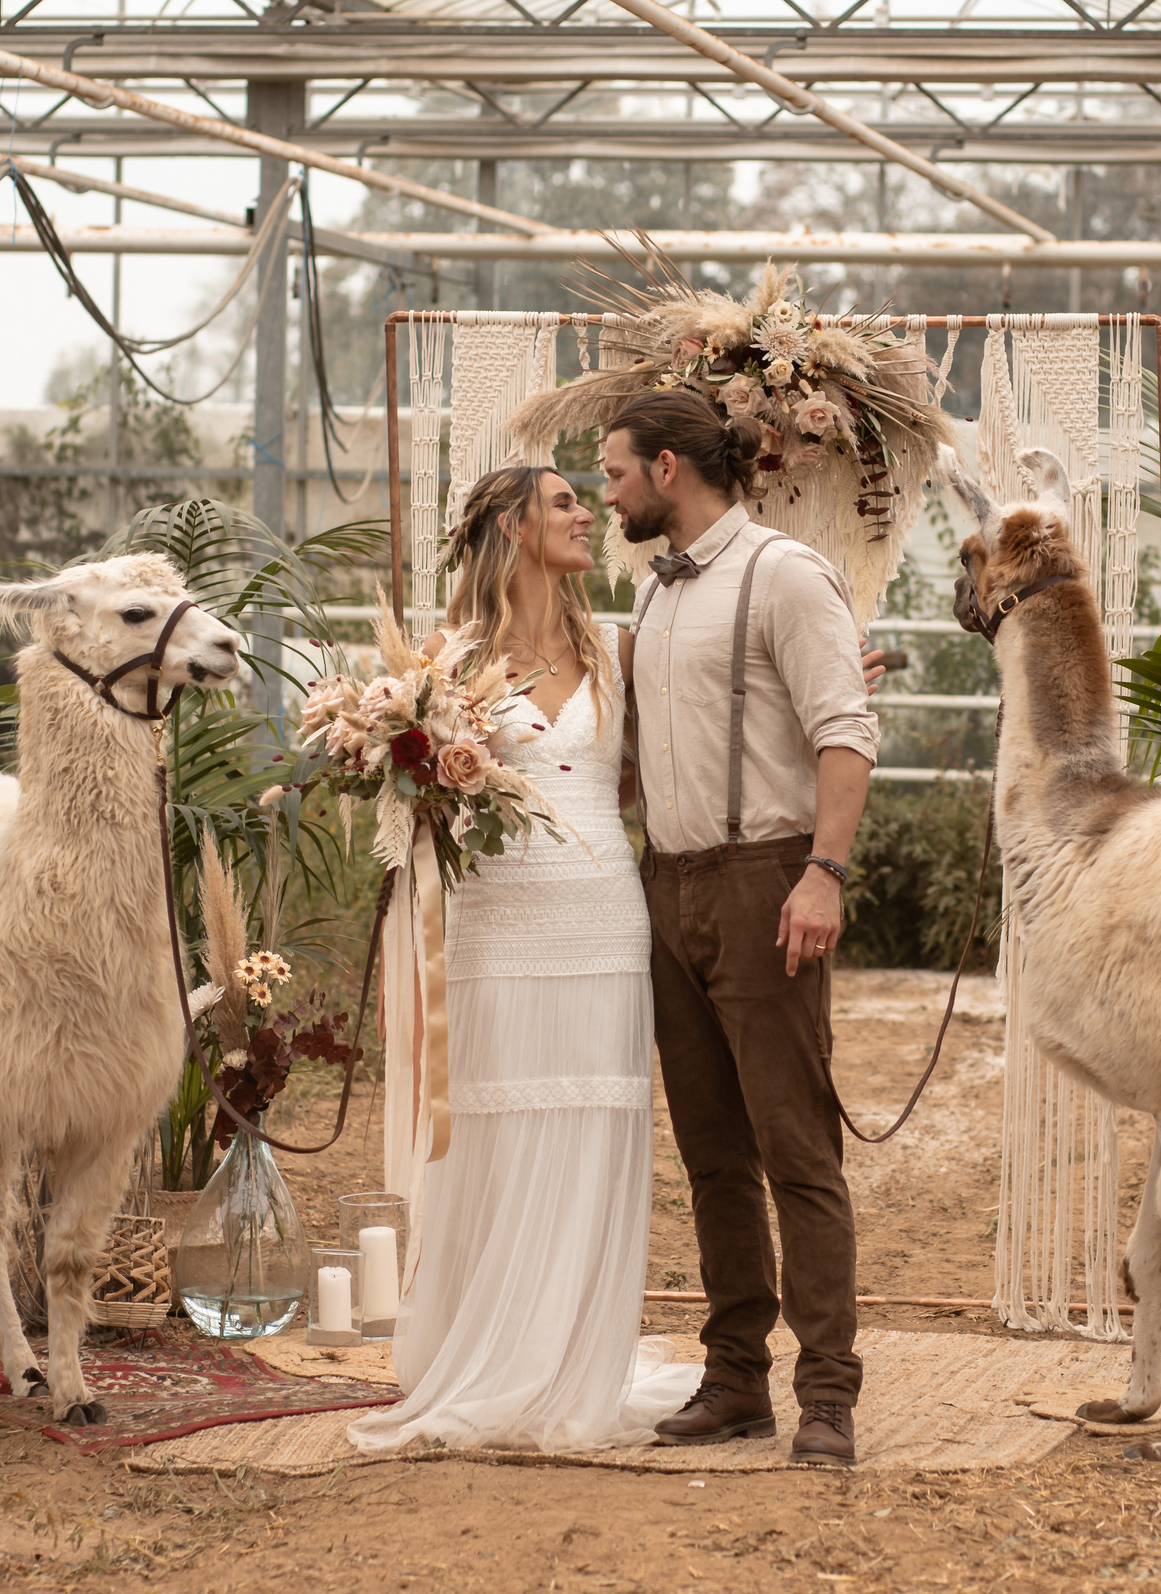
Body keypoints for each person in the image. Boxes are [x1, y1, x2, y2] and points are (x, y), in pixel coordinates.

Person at [347, 464, 700, 1454]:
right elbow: (409, 805)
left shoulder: (618, 648)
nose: (588, 513)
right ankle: (489, 1356)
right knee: (498, 1140)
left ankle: (573, 1362)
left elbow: (679, 751)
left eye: (588, 498)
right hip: (496, 923)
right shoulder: (442, 664)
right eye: (562, 502)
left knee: (593, 1132)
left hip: (601, 918)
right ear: (511, 526)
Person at [601, 387, 878, 1469]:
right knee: (712, 1155)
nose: (608, 491)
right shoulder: (657, 593)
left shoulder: (784, 574)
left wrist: (822, 873)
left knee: (795, 1150)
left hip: (766, 877)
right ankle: (734, 1380)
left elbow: (844, 733)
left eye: (617, 471)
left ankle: (828, 1396)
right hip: (664, 886)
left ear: (669, 469)